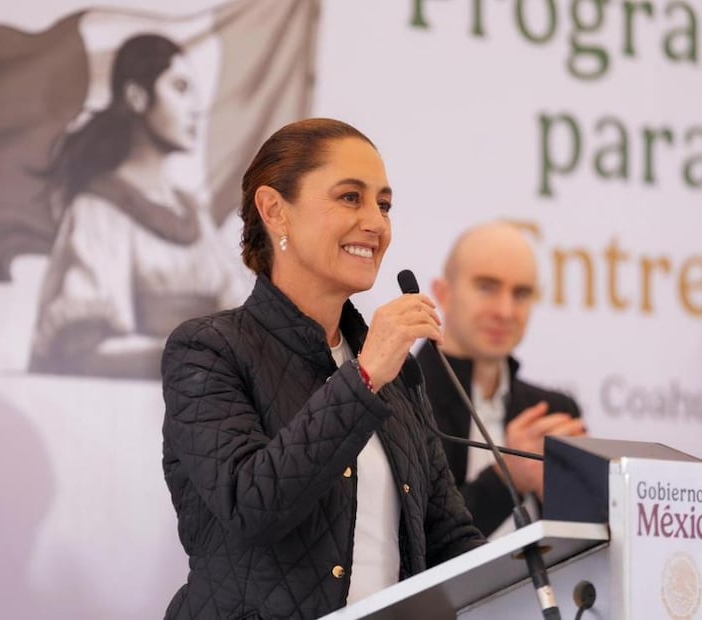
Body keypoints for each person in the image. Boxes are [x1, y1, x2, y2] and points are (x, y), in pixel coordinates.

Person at [161, 118, 485, 619]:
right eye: (350, 198)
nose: (376, 223)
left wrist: (545, 568)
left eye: (384, 204)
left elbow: (447, 537)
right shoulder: (208, 350)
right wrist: (366, 375)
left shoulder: (392, 373)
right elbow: (253, 506)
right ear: (275, 211)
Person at [28, 33, 246, 380]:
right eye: (180, 88)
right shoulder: (98, 211)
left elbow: (237, 314)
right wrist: (198, 358)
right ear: (137, 97)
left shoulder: (193, 216)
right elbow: (84, 348)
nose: (195, 108)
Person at [418, 221, 586, 539]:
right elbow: (416, 543)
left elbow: (589, 546)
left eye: (521, 293)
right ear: (443, 293)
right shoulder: (399, 397)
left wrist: (571, 496)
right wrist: (506, 476)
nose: (506, 310)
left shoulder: (555, 412)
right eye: (487, 287)